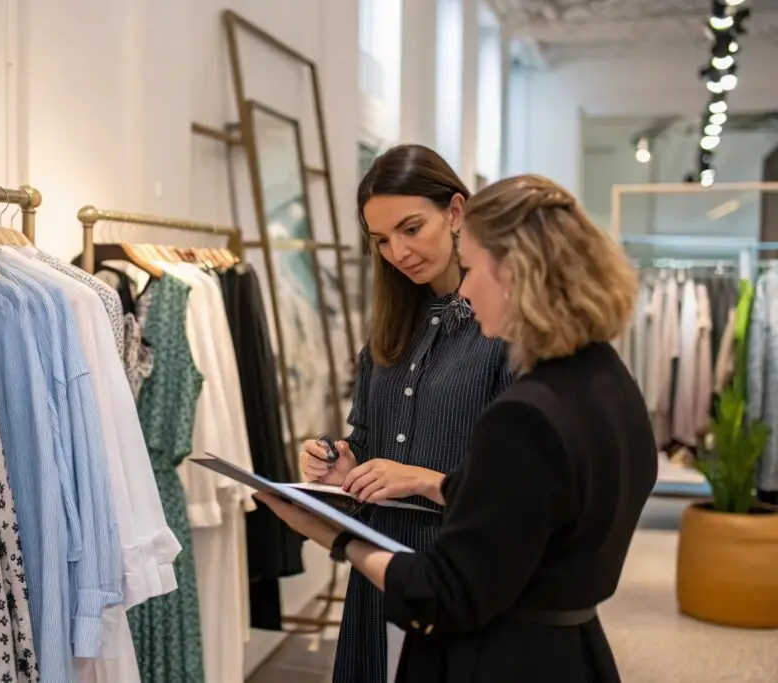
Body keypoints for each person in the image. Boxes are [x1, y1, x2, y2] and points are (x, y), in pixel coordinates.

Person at [262, 174, 658, 683]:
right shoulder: (608, 379)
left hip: (500, 653)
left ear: (516, 271)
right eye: (381, 240)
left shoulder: (528, 413)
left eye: (470, 269)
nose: (464, 290)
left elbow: (448, 593)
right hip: (568, 648)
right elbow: (525, 497)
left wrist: (329, 534)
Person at [299, 144, 513, 682]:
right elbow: (368, 442)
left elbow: (520, 486)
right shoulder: (390, 332)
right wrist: (342, 465)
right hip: (379, 569)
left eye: (411, 229)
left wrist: (420, 479)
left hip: (458, 575)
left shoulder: (503, 329)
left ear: (456, 212)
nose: (398, 251)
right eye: (381, 240)